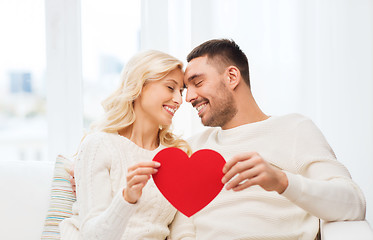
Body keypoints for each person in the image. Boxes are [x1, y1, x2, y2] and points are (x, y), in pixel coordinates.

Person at [168, 39, 366, 240]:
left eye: (198, 82)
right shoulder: (191, 148)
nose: (188, 97)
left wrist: (281, 181)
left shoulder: (294, 129)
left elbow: (353, 203)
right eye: (186, 88)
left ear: (232, 76)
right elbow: (182, 226)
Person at [59, 50, 191, 239]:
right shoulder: (99, 145)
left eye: (181, 91)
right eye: (170, 88)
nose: (179, 100)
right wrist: (127, 198)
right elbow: (93, 236)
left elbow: (183, 230)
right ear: (139, 86)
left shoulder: (177, 154)